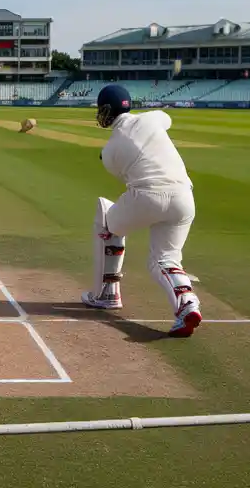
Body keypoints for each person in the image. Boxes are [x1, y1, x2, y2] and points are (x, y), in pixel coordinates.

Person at [82, 84, 202, 337]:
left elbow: (115, 167)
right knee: (166, 259)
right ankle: (187, 303)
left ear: (106, 110)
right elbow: (165, 118)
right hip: (184, 198)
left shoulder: (110, 150)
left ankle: (106, 294)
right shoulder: (153, 119)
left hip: (148, 196)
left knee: (106, 220)